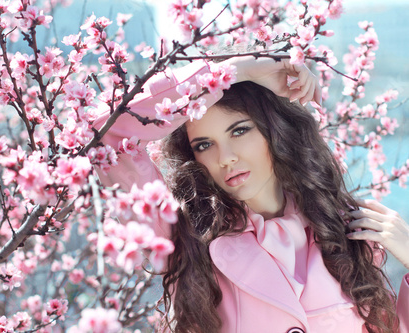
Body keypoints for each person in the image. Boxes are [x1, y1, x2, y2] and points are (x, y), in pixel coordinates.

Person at [94, 56, 409, 333]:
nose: (225, 157)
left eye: (239, 131)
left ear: (274, 131)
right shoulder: (183, 235)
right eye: (204, 145)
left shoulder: (346, 232)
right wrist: (236, 70)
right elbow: (107, 132)